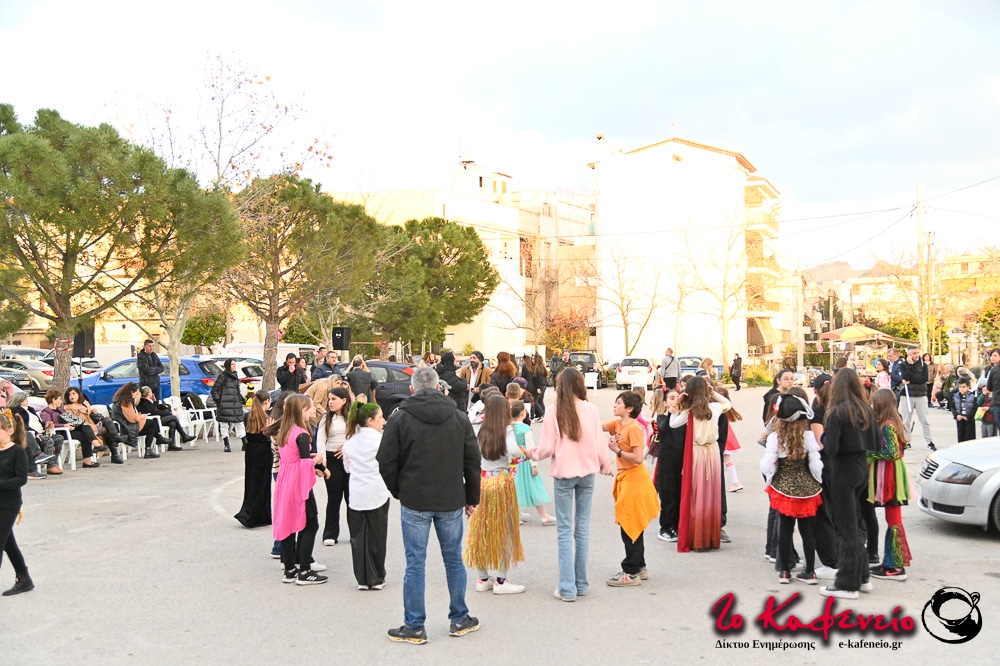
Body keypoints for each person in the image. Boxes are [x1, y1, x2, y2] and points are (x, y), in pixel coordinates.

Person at [377, 366, 481, 644]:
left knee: (415, 563)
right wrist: (472, 497)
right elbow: (472, 461)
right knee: (453, 559)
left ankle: (414, 625)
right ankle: (459, 618)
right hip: (450, 498)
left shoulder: (399, 419)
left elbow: (385, 460)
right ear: (439, 387)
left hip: (415, 499)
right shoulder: (459, 418)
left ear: (412, 389)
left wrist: (399, 490)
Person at [530, 367, 614, 601]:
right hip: (588, 474)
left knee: (565, 530)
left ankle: (567, 587)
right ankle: (581, 583)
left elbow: (546, 448)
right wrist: (605, 464)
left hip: (564, 475)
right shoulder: (591, 409)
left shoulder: (554, 411)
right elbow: (599, 441)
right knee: (582, 528)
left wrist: (531, 453)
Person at [819, 368, 877, 600]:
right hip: (862, 467)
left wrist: (824, 439)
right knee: (856, 521)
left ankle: (847, 584)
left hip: (843, 470)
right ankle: (862, 576)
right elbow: (876, 441)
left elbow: (831, 448)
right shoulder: (866, 409)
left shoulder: (837, 412)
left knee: (845, 527)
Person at [465, 395, 527, 595]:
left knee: (480, 531)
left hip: (481, 482)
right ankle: (501, 581)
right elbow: (514, 451)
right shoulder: (506, 429)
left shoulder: (477, 426)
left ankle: (482, 579)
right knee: (502, 531)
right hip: (501, 483)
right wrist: (524, 453)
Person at [760, 394, 824, 585]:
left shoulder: (775, 437)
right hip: (806, 488)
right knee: (807, 531)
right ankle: (810, 571)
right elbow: (815, 464)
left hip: (784, 487)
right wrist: (818, 481)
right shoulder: (808, 436)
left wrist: (770, 479)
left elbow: (768, 464)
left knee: (785, 530)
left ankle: (785, 571)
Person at [603, 391, 660, 586]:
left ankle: (631, 572)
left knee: (629, 525)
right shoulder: (618, 424)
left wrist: (617, 451)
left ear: (629, 408)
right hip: (626, 479)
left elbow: (637, 458)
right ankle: (640, 566)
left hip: (635, 480)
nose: (614, 405)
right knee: (631, 525)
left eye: (618, 403)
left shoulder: (633, 428)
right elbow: (596, 426)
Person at [273, 394, 329, 586]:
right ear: (300, 410)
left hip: (285, 480)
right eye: (310, 406)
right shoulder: (302, 434)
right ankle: (305, 570)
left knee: (287, 523)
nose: (313, 409)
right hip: (298, 483)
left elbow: (294, 456)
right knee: (310, 524)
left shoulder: (284, 431)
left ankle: (289, 569)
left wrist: (313, 461)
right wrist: (317, 460)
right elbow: (304, 462)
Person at [671, 375, 731, 552]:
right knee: (711, 493)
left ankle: (697, 537)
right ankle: (710, 536)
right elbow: (728, 404)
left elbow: (673, 424)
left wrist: (677, 404)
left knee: (697, 494)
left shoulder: (689, 412)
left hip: (697, 452)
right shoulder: (715, 407)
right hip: (713, 452)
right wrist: (713, 393)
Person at [342, 400, 390, 591]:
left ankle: (362, 578)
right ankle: (377, 576)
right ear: (370, 421)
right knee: (377, 536)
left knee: (358, 537)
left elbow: (347, 467)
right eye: (380, 418)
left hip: (357, 493)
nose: (383, 421)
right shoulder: (381, 440)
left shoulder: (350, 442)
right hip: (377, 491)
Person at [866, 389, 912, 582]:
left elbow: (892, 453)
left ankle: (895, 566)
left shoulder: (888, 426)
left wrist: (867, 452)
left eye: (873, 403)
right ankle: (890, 561)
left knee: (894, 521)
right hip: (892, 474)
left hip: (891, 476)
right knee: (892, 519)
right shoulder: (894, 422)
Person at [0, 411, 33, 596]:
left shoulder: (17, 451)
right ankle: (24, 578)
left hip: (9, 503)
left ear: (9, 430)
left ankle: (24, 579)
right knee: (8, 543)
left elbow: (21, 479)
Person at [511, 401, 555, 525]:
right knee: (534, 487)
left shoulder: (508, 427)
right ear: (522, 413)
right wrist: (534, 465)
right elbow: (530, 448)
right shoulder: (525, 429)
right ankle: (544, 515)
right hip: (525, 461)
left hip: (512, 461)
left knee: (515, 488)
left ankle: (515, 514)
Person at [318, 387, 351, 546]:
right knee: (334, 498)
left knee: (352, 498)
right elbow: (320, 440)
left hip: (350, 460)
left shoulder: (353, 416)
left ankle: (356, 533)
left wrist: (347, 447)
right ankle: (330, 534)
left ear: (344, 400)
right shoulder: (326, 418)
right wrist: (322, 461)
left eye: (334, 399)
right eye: (329, 399)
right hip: (332, 460)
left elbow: (359, 436)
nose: (330, 402)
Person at [234, 392, 273, 529]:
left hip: (251, 451)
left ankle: (249, 510)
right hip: (263, 451)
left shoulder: (249, 416)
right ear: (266, 401)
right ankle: (261, 514)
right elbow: (268, 437)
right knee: (263, 484)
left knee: (251, 482)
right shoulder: (266, 418)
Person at [41, 389, 107, 467]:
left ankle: (90, 456)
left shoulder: (61, 409)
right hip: (61, 433)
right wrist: (64, 426)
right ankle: (94, 450)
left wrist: (76, 419)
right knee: (86, 433)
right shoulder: (46, 412)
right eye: (59, 399)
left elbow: (70, 418)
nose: (61, 401)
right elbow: (48, 424)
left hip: (71, 430)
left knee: (86, 429)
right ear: (54, 400)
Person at [654, 389, 682, 541]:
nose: (675, 400)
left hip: (681, 461)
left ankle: (676, 526)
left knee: (679, 494)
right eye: (671, 398)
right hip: (667, 461)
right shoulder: (661, 417)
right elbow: (663, 429)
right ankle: (664, 527)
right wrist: (671, 414)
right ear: (665, 403)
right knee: (667, 495)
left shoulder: (684, 418)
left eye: (677, 397)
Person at [898, 346, 933, 450]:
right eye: (914, 353)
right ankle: (907, 441)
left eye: (917, 352)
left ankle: (929, 441)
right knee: (906, 420)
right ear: (909, 355)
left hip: (921, 394)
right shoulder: (903, 364)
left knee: (924, 420)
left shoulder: (923, 364)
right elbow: (905, 377)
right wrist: (910, 366)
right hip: (907, 395)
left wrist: (911, 380)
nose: (917, 355)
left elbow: (924, 379)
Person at [211, 359, 246, 453]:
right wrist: (219, 402)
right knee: (224, 424)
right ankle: (226, 444)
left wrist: (241, 399)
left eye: (235, 364)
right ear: (228, 365)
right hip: (224, 404)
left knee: (240, 423)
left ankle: (244, 442)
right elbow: (214, 390)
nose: (234, 366)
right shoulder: (222, 376)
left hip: (236, 404)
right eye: (232, 364)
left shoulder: (235, 376)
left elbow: (237, 391)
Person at [951, 378, 977, 443]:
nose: (961, 389)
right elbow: (953, 407)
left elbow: (974, 408)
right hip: (960, 419)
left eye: (963, 387)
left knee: (970, 438)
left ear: (968, 387)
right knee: (961, 437)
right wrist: (956, 415)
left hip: (969, 420)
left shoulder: (972, 396)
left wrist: (969, 416)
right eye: (960, 387)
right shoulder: (955, 396)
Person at [531, 353, 549, 419]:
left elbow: (539, 378)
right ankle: (542, 414)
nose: (532, 360)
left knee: (535, 401)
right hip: (543, 385)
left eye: (533, 359)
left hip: (540, 386)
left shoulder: (538, 368)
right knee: (540, 401)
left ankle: (542, 413)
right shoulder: (542, 367)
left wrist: (538, 387)